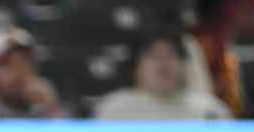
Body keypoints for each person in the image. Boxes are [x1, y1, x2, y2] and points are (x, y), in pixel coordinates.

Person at [94, 27, 231, 120]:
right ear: (134, 67)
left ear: (184, 65)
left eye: (170, 55)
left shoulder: (209, 111)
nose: (163, 64)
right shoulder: (113, 111)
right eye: (154, 55)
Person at [0, 24, 64, 118]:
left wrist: (52, 109)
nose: (19, 71)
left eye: (25, 62)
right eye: (7, 63)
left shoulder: (45, 113)